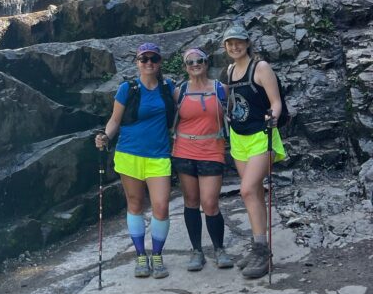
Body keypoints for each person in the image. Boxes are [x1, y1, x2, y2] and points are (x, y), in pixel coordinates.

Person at [95, 43, 175, 279]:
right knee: (135, 204)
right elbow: (115, 120)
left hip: (159, 155)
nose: (148, 63)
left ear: (160, 62)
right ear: (137, 62)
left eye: (153, 59)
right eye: (144, 59)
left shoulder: (167, 87)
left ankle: (157, 254)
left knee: (161, 206)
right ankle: (141, 255)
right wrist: (105, 136)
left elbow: (183, 112)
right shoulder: (127, 88)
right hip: (129, 153)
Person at [223, 24, 287, 279]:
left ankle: (263, 254)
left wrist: (274, 116)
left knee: (247, 189)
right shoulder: (229, 71)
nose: (234, 46)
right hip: (239, 139)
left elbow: (276, 101)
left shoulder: (260, 68)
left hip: (263, 136)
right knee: (255, 193)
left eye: (238, 42)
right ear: (225, 47)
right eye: (229, 43)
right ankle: (259, 245)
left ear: (247, 43)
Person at [172, 48, 234, 271]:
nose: (195, 64)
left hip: (212, 149)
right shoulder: (179, 92)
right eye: (190, 62)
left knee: (210, 202)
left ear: (207, 63)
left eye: (199, 60)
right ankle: (197, 251)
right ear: (185, 67)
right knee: (190, 201)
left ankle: (219, 249)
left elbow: (236, 115)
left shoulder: (221, 89)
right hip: (184, 149)